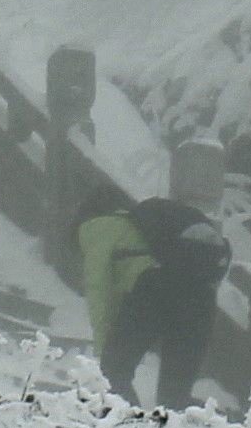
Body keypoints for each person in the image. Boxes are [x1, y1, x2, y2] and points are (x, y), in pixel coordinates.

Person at [80, 143, 233, 407]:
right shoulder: (157, 228)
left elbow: (98, 287)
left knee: (113, 373)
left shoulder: (97, 227)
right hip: (202, 297)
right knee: (174, 397)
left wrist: (104, 343)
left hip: (156, 287)